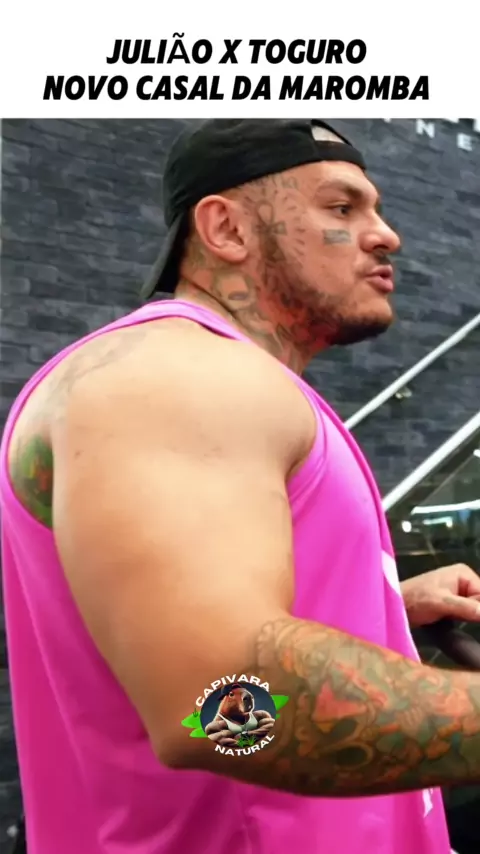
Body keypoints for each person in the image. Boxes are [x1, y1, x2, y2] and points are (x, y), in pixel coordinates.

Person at [1, 118, 480, 854]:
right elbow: (214, 706)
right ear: (226, 228)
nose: (387, 236)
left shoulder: (222, 382)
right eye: (341, 207)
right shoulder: (172, 377)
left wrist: (381, 608)